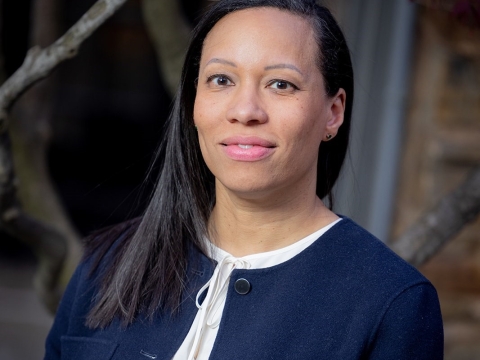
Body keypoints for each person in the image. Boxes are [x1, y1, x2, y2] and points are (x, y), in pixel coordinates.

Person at [44, 0, 444, 359]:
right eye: (221, 80)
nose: (245, 110)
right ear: (193, 103)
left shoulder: (392, 303)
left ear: (333, 113)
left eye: (281, 84)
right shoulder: (107, 264)